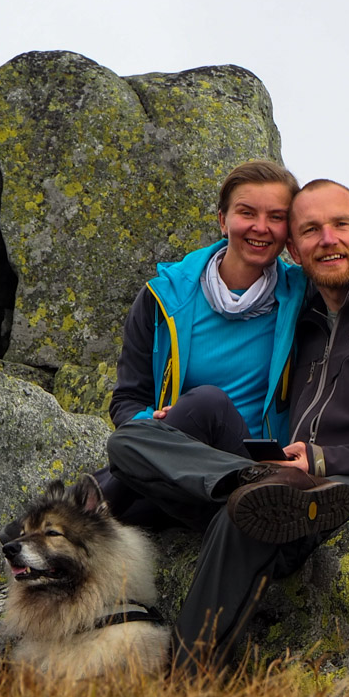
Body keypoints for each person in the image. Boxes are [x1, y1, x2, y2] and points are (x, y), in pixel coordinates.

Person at [105, 177, 349, 670]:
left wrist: (326, 457)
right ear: (294, 250)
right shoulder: (307, 314)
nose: (328, 239)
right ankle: (236, 480)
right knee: (132, 440)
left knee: (249, 516)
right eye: (312, 230)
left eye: (341, 225)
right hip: (281, 470)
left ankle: (184, 680)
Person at [99, 160, 307, 523]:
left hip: (258, 464)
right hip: (180, 467)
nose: (261, 227)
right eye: (247, 213)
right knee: (123, 479)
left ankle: (62, 519)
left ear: (289, 230)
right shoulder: (163, 298)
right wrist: (156, 421)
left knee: (208, 403)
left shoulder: (303, 299)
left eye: (276, 216)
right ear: (223, 220)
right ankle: (48, 529)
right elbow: (128, 398)